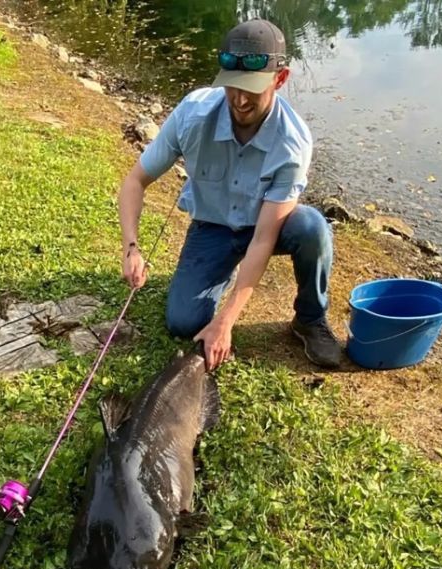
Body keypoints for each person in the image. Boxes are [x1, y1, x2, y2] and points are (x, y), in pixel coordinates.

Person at [118, 18, 342, 371]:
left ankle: (310, 319)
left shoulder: (292, 143)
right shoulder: (192, 114)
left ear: (279, 79)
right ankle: (216, 275)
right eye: (231, 87)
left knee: (312, 228)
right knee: (183, 324)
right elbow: (135, 182)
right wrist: (131, 247)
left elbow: (263, 240)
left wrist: (226, 321)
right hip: (213, 227)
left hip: (267, 226)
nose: (239, 99)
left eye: (251, 88)